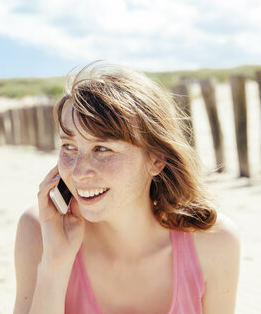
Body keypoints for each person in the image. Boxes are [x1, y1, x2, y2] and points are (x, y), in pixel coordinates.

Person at [13, 62, 240, 314]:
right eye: (69, 147)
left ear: (156, 159)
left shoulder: (213, 243)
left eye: (102, 149)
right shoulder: (38, 230)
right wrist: (54, 264)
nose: (78, 172)